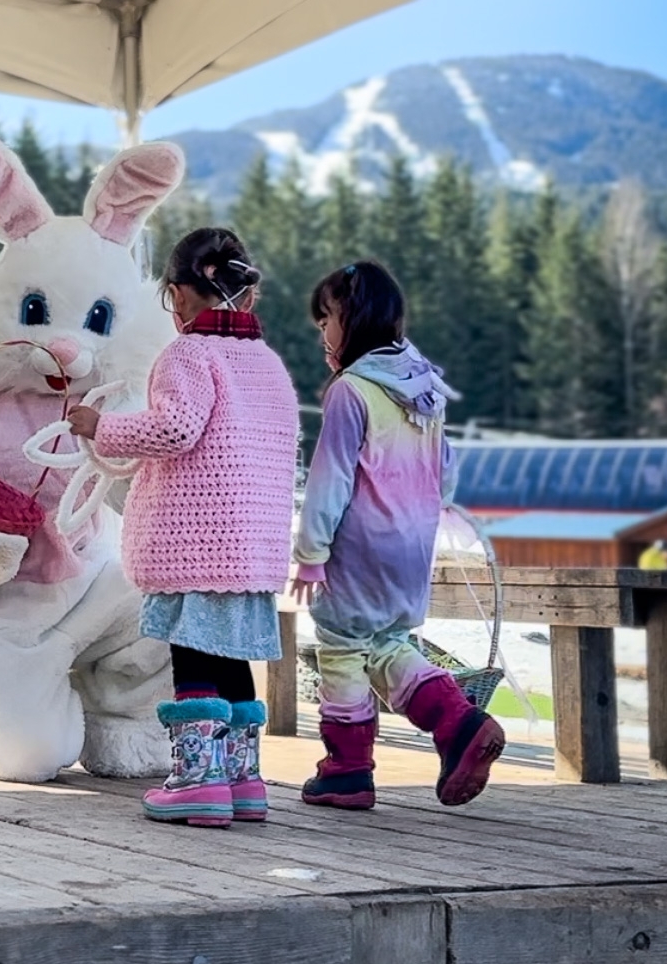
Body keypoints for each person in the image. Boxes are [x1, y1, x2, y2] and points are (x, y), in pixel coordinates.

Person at [68, 227, 300, 828]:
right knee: (232, 663)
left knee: (193, 660)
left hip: (194, 544)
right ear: (243, 294)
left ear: (177, 293)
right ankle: (243, 782)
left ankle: (198, 781)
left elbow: (175, 429)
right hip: (250, 549)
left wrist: (101, 427)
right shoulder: (269, 364)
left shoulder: (190, 354)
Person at [291, 260, 505, 810]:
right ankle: (457, 723)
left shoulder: (352, 391)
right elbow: (446, 470)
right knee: (387, 643)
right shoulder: (423, 386)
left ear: (354, 320)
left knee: (340, 647)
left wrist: (311, 553)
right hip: (412, 547)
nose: (323, 333)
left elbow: (331, 479)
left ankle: (347, 769)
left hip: (360, 548)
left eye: (326, 321)